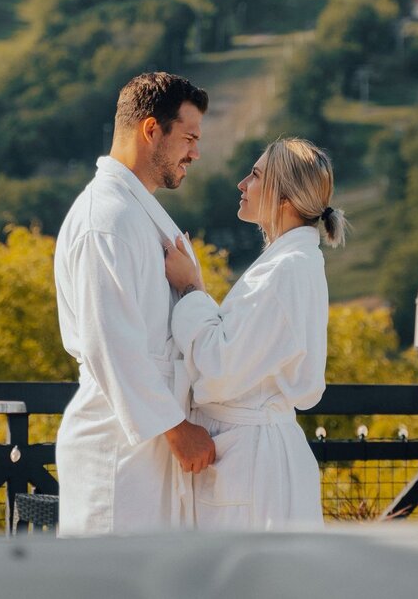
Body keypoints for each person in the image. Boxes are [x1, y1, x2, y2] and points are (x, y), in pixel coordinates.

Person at [53, 72, 217, 535]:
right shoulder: (105, 220)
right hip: (118, 444)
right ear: (151, 131)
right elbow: (110, 341)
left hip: (152, 437)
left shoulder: (135, 213)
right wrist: (175, 428)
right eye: (188, 138)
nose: (196, 153)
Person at [161, 137, 345, 530]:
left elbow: (221, 369)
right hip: (252, 455)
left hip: (253, 465)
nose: (242, 184)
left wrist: (192, 289)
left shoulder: (286, 271)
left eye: (256, 175)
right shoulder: (290, 264)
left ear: (285, 198)